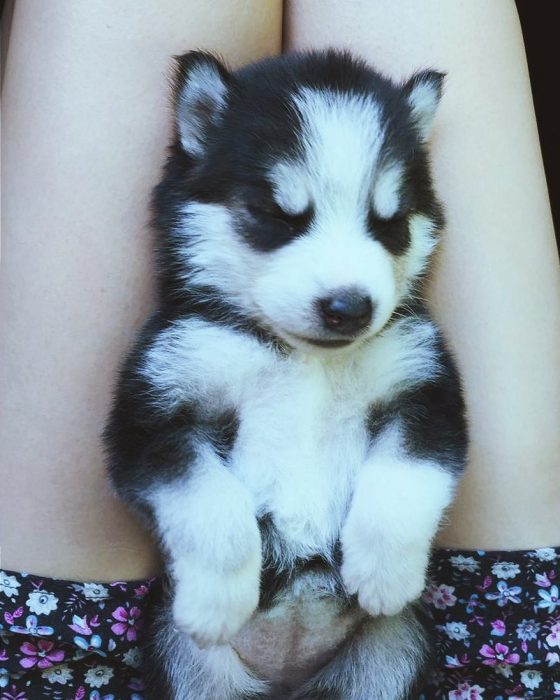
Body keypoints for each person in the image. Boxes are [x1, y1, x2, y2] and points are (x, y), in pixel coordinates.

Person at [1, 1, 558, 697]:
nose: (351, 287)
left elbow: (428, 431)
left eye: (385, 227)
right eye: (275, 216)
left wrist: (394, 522)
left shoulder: (393, 339)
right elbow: (150, 448)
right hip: (474, 647)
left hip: (98, 651)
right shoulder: (202, 341)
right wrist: (219, 542)